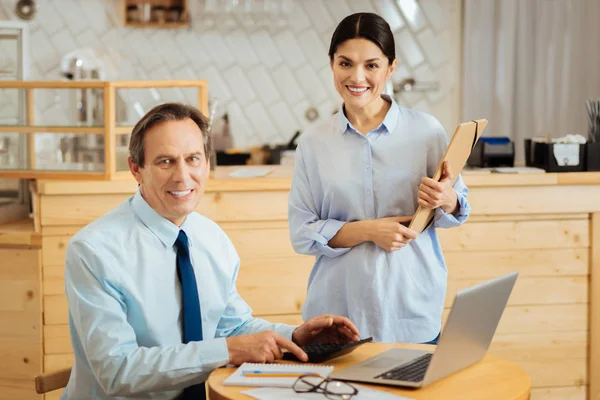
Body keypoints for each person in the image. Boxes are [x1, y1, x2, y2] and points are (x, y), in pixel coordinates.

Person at [61, 103, 360, 400]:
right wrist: (228, 351)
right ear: (136, 169)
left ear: (206, 164)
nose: (182, 176)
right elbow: (116, 370)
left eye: (192, 159)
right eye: (165, 161)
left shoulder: (211, 238)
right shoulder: (93, 252)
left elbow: (232, 325)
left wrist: (294, 337)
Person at [288, 12, 470, 345]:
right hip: (338, 318)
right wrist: (371, 230)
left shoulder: (427, 131)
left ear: (391, 68)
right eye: (345, 63)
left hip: (411, 312)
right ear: (331, 64)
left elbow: (456, 209)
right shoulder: (313, 142)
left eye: (371, 65)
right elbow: (301, 234)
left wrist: (447, 199)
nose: (357, 77)